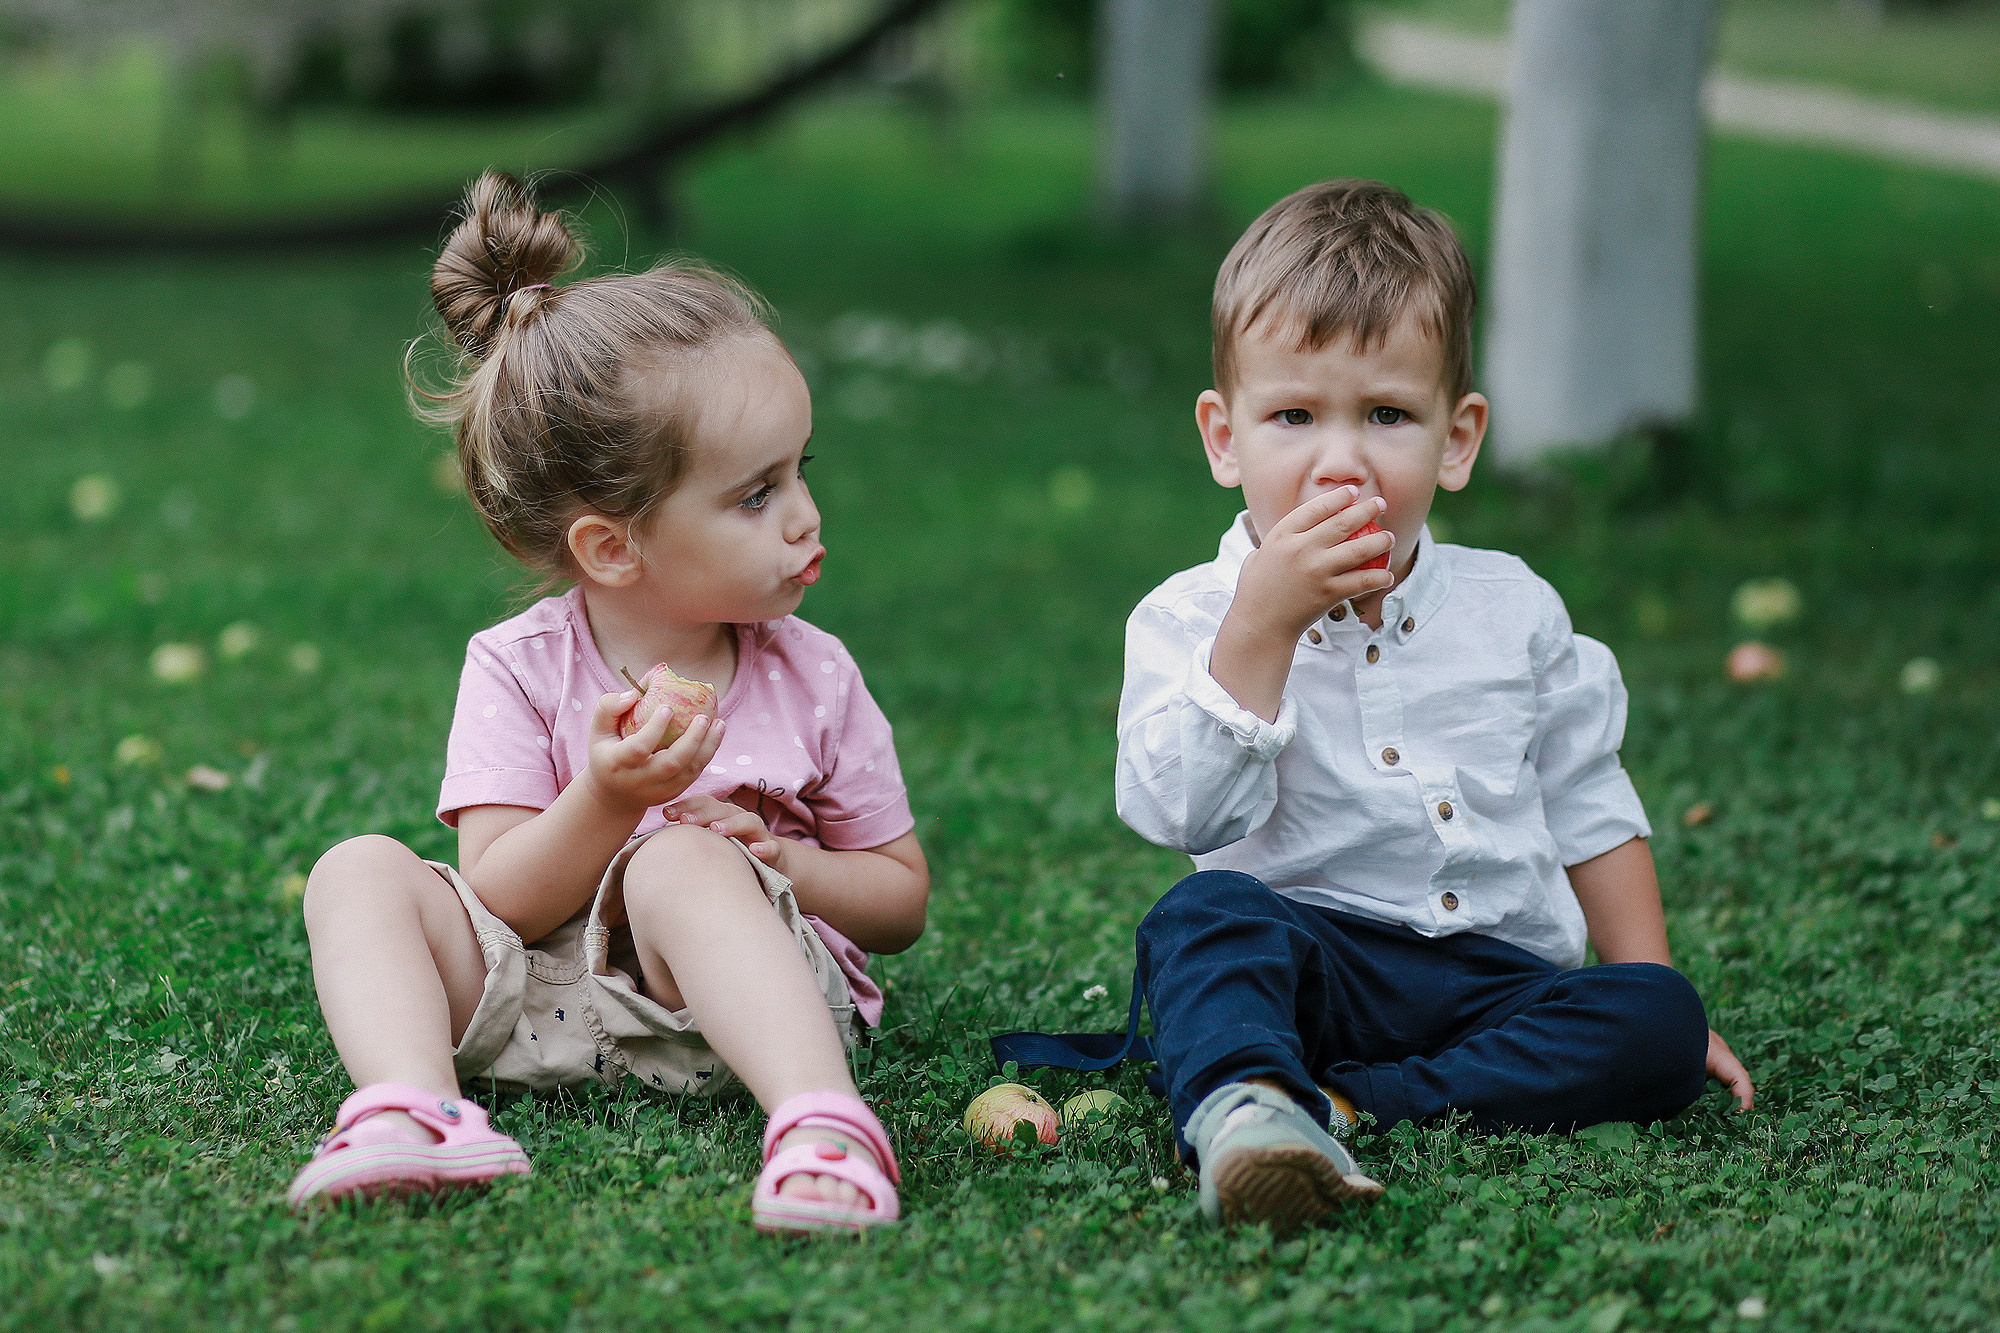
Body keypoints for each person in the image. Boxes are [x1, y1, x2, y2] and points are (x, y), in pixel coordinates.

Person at [287, 172, 928, 1236]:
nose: (806, 515)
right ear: (610, 546)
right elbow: (504, 898)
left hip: (734, 1010)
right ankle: (414, 1105)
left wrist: (786, 863)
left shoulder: (811, 673)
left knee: (680, 860)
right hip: (537, 1001)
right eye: (756, 493)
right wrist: (605, 795)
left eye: (798, 471)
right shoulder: (517, 664)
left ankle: (822, 1120)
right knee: (356, 867)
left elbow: (900, 902)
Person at [1115, 179, 1754, 1231]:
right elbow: (1180, 817)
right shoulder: (1190, 617)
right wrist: (1260, 630)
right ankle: (1248, 1099)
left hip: (1493, 983)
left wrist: (1654, 993)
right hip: (1311, 966)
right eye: (1291, 416)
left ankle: (1339, 1104)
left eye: (1384, 415)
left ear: (1454, 441)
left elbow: (1587, 801)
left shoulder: (1514, 609)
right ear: (1221, 437)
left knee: (1655, 1016)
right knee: (1202, 920)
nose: (1338, 459)